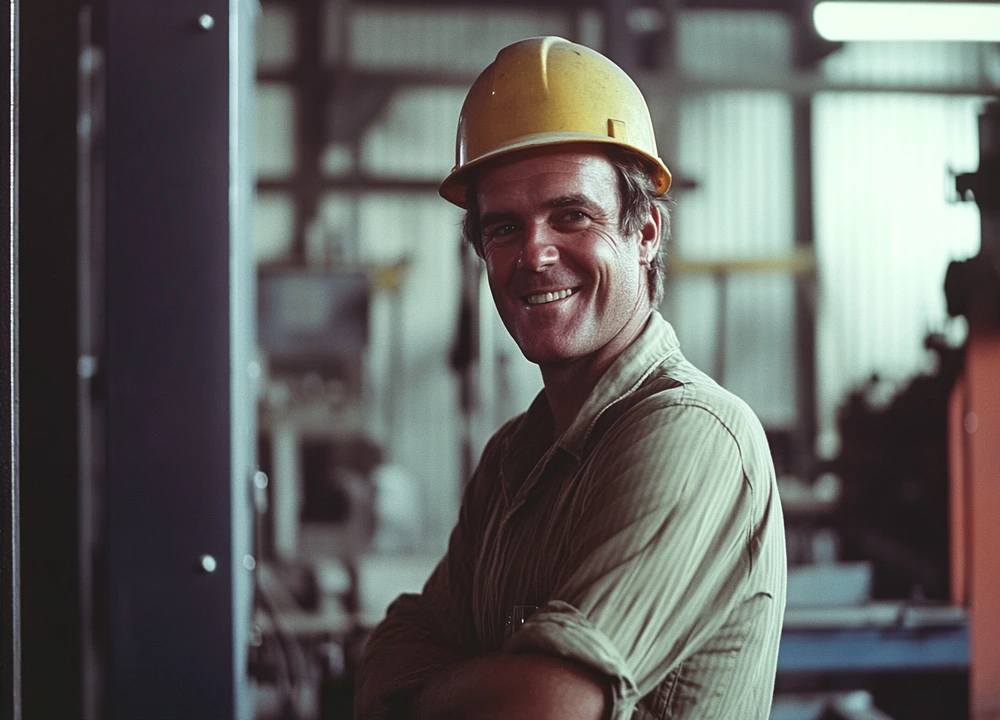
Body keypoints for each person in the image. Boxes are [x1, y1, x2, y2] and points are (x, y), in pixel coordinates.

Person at [355, 36, 786, 720]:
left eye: (571, 215)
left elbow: (546, 708)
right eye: (503, 228)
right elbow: (388, 657)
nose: (534, 253)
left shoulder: (696, 436)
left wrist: (440, 692)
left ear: (645, 231)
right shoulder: (509, 462)